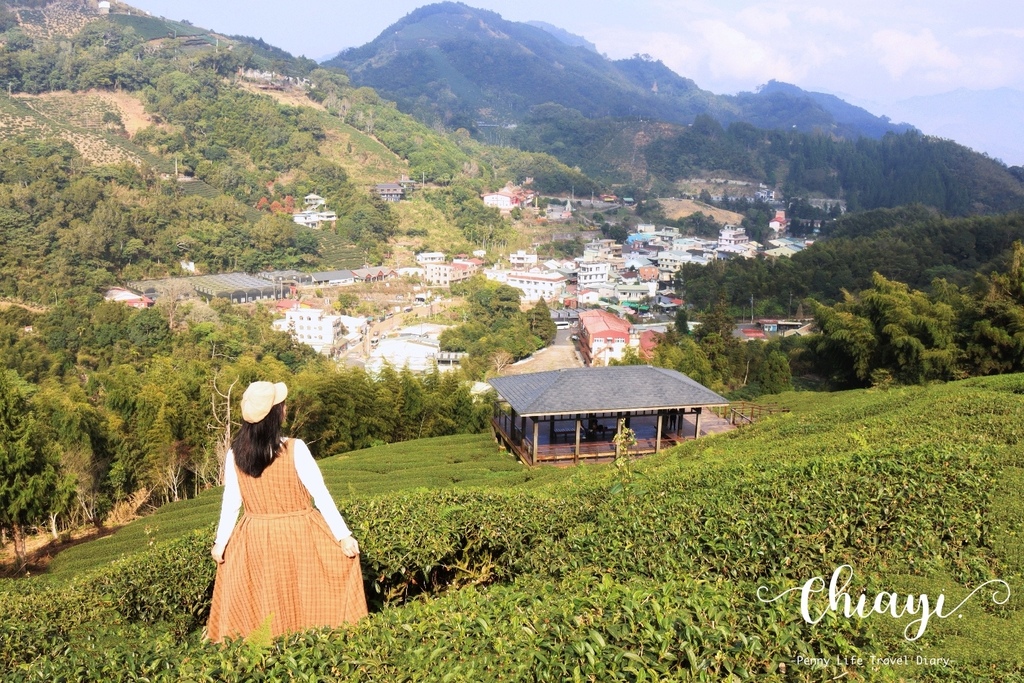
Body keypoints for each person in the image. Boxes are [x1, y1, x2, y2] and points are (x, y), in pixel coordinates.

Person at [206, 380, 368, 643]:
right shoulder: (295, 448)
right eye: (281, 405)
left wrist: (220, 543)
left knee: (267, 598)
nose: (285, 408)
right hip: (299, 533)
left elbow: (231, 503)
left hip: (255, 536)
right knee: (303, 595)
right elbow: (320, 494)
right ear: (274, 415)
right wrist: (343, 536)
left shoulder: (235, 454)